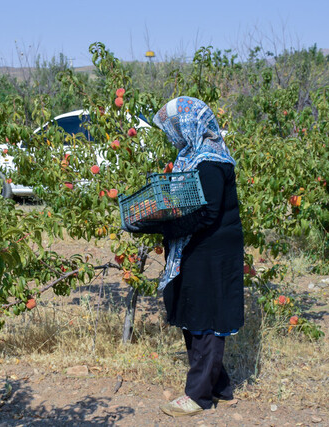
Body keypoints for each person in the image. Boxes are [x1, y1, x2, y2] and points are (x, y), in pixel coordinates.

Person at [123, 96, 244, 417]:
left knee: (206, 318)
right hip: (199, 247)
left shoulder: (210, 162)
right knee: (194, 312)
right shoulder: (192, 157)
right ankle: (219, 386)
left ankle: (199, 395)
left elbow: (206, 213)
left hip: (213, 250)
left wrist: (164, 226)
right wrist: (153, 223)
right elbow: (185, 207)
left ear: (189, 125)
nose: (172, 135)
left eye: (174, 128)